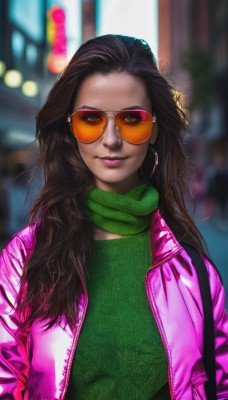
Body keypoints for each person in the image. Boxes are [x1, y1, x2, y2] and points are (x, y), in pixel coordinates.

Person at [0, 34, 227, 400]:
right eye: (91, 119)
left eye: (131, 119)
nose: (111, 139)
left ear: (153, 129)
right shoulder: (23, 261)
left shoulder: (198, 277)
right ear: (71, 130)